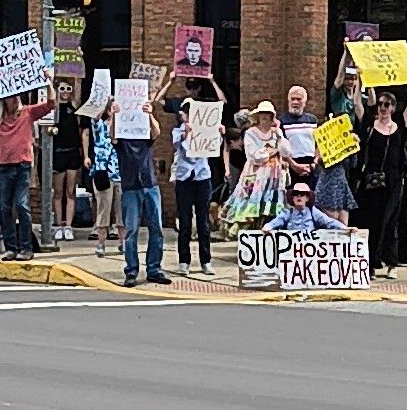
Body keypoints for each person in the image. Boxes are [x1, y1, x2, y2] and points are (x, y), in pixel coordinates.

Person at [0, 72, 55, 261]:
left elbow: (51, 104)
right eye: (10, 95)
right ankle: (11, 247)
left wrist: (48, 81)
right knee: (4, 208)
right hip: (3, 166)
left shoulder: (28, 112)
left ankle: (26, 248)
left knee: (23, 206)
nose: (13, 98)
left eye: (15, 95)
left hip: (22, 165)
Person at [354, 72, 407, 280]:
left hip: (394, 179)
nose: (383, 107)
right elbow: (358, 104)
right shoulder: (369, 125)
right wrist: (360, 81)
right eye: (381, 104)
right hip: (372, 179)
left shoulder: (400, 124)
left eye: (387, 104)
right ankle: (371, 264)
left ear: (392, 107)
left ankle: (392, 263)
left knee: (391, 221)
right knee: (372, 220)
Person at [111, 100, 172, 287]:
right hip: (131, 186)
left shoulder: (146, 136)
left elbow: (157, 132)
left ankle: (154, 268)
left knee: (157, 228)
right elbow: (112, 136)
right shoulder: (121, 139)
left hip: (149, 184)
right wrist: (115, 115)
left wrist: (150, 114)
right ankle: (131, 270)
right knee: (131, 231)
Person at [221, 101, 292, 235]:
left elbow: (286, 151)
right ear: (258, 117)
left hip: (274, 176)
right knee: (252, 206)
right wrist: (271, 151)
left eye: (268, 115)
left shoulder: (276, 133)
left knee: (271, 207)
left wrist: (278, 134)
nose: (265, 118)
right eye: (263, 115)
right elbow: (253, 156)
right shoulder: (250, 133)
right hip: (256, 176)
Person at [172, 98, 222, 276]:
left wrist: (218, 134)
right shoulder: (177, 131)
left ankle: (205, 260)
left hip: (202, 177)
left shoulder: (206, 129)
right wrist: (187, 133)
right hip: (184, 179)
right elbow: (179, 146)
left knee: (203, 222)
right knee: (185, 221)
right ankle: (184, 260)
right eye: (187, 113)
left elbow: (214, 148)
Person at [85, 100, 125, 258]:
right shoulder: (100, 126)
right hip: (103, 171)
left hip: (120, 172)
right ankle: (101, 243)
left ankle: (123, 242)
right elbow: (94, 118)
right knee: (103, 209)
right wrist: (104, 100)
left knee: (122, 209)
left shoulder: (123, 128)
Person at [52, 80, 85, 241]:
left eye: (68, 88)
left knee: (70, 191)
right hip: (58, 153)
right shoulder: (54, 109)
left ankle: (68, 226)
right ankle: (58, 224)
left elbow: (78, 87)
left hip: (72, 153)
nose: (65, 91)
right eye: (62, 88)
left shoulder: (75, 108)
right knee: (58, 192)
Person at [263, 183, 356, 232]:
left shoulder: (313, 212)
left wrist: (344, 228)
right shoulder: (288, 213)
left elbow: (328, 221)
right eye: (296, 194)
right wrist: (268, 227)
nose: (299, 196)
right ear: (292, 197)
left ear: (307, 198)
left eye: (302, 194)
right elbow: (277, 221)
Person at [279, 86, 319, 189]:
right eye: (293, 99)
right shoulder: (282, 121)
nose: (295, 102)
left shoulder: (312, 120)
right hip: (291, 165)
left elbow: (319, 144)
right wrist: (294, 165)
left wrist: (314, 164)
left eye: (299, 99)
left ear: (305, 102)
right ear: (288, 101)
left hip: (311, 166)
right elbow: (279, 147)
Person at [155, 71, 227, 126]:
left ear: (199, 88)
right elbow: (159, 99)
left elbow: (223, 102)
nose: (192, 90)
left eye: (195, 86)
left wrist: (213, 82)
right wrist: (170, 81)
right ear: (186, 88)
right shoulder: (181, 103)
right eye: (189, 86)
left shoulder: (206, 102)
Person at [329, 41, 369, 130]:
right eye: (347, 79)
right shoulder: (337, 95)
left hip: (356, 133)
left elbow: (372, 101)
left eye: (353, 79)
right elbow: (340, 74)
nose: (350, 82)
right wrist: (346, 52)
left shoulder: (361, 97)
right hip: (340, 132)